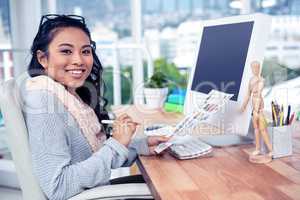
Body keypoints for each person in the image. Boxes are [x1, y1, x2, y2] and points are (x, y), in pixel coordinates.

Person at [22, 14, 168, 200]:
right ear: (43, 58)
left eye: (85, 51)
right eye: (66, 51)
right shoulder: (43, 102)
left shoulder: (67, 96)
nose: (79, 60)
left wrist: (141, 146)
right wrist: (116, 143)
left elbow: (95, 158)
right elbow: (59, 187)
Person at [240, 61, 273, 163]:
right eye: (253, 67)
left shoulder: (261, 80)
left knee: (263, 130)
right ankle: (258, 149)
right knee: (256, 130)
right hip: (253, 109)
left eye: (257, 67)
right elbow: (248, 95)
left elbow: (258, 95)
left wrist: (256, 111)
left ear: (259, 68)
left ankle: (271, 150)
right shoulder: (251, 80)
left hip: (259, 110)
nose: (255, 69)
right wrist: (243, 106)